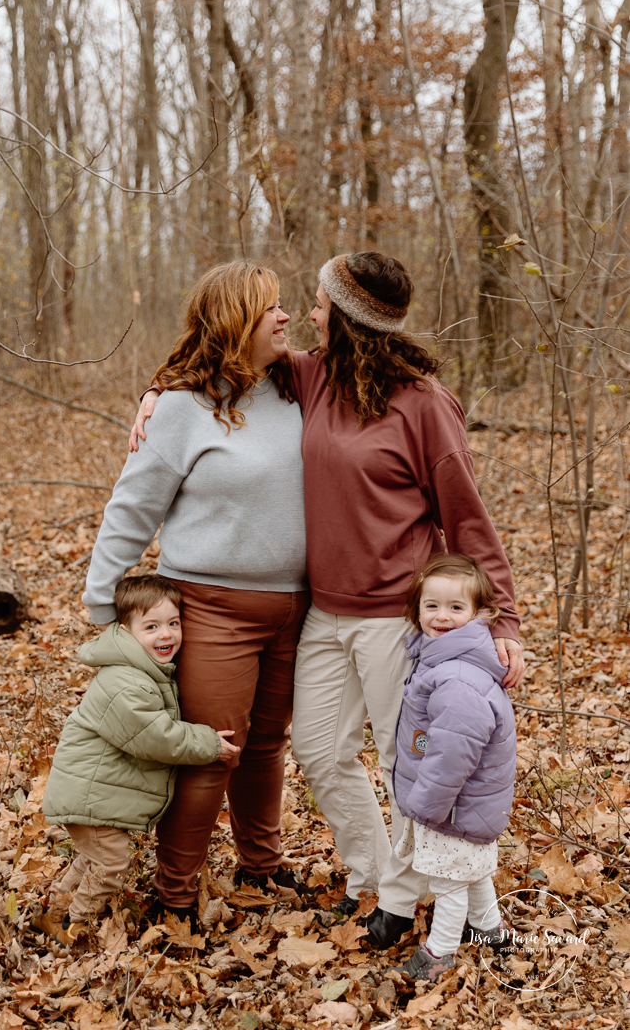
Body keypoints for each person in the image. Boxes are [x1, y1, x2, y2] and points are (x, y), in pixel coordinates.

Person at [133, 251, 524, 945]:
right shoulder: (313, 379)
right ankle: (372, 874)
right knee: (318, 751)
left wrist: (505, 620)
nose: (307, 314)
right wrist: (158, 393)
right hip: (322, 611)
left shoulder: (425, 405)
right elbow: (220, 360)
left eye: (317, 304)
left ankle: (397, 902)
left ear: (345, 317)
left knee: (406, 761)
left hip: (394, 620)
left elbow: (467, 518)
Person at [84, 262, 311, 925]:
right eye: (270, 307)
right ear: (238, 320)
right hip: (211, 609)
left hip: (296, 609)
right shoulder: (183, 407)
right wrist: (104, 607)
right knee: (213, 749)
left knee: (266, 747)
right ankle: (174, 895)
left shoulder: (299, 389)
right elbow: (130, 510)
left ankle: (259, 867)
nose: (285, 317)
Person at [34, 575, 237, 946]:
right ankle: (72, 928)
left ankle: (52, 912)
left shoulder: (142, 671)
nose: (166, 635)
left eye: (173, 624)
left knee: (91, 858)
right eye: (152, 626)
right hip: (89, 795)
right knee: (110, 864)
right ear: (124, 631)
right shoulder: (127, 682)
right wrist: (207, 743)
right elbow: (155, 736)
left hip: (91, 792)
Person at [389, 553, 516, 982]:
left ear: (481, 614)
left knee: (449, 882)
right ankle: (491, 932)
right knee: (471, 870)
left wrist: (425, 805)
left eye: (456, 607)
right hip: (467, 804)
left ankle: (440, 953)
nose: (442, 616)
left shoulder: (457, 676)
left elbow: (452, 754)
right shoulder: (442, 658)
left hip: (453, 805)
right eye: (432, 605)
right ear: (417, 608)